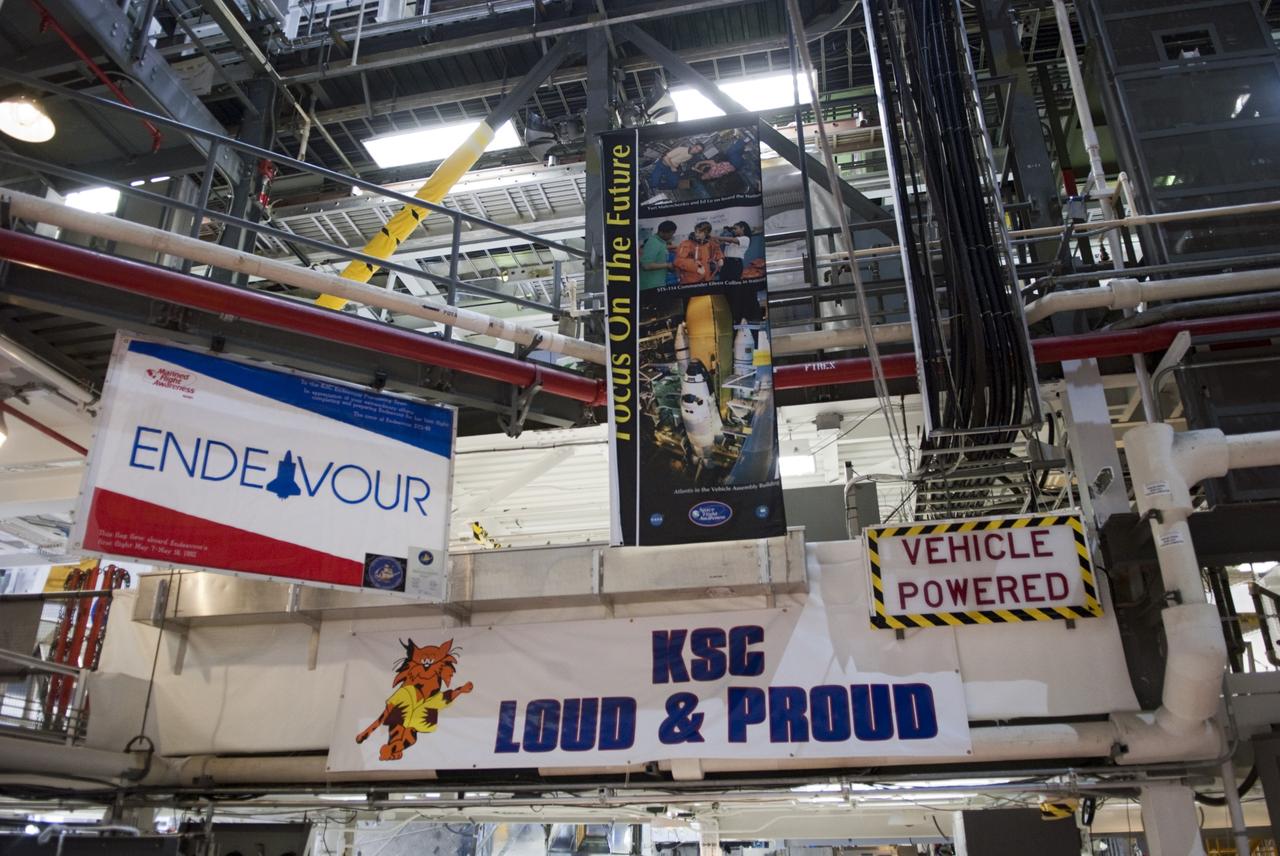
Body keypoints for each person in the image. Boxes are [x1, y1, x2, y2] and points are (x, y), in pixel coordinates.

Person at [640, 221, 678, 290]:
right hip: (650, 286)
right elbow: (646, 265)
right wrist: (667, 265)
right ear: (662, 232)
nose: (671, 236)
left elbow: (660, 250)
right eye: (671, 234)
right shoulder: (653, 243)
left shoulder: (661, 242)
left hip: (659, 284)